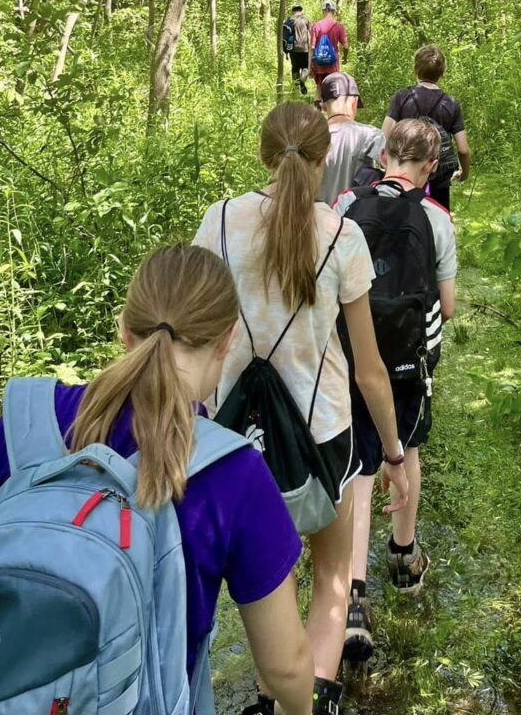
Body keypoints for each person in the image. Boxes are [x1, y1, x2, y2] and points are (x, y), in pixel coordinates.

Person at [0, 246, 315, 715]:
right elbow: (285, 665)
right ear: (227, 341)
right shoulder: (233, 471)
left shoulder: (26, 421)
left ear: (124, 328)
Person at [194, 102, 409, 715]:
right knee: (333, 576)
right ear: (323, 163)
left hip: (235, 438)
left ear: (264, 155)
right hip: (325, 436)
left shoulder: (221, 219)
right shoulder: (342, 237)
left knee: (271, 577)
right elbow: (367, 367)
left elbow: (193, 326)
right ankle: (316, 699)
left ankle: (272, 696)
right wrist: (392, 452)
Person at [334, 120, 457, 664]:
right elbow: (446, 307)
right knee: (406, 450)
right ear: (431, 167)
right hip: (409, 365)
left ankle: (353, 598)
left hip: (351, 358)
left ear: (383, 155)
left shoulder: (343, 206)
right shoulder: (436, 219)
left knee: (359, 466)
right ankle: (404, 558)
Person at [383, 44, 471, 208]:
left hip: (406, 174)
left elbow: (384, 136)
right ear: (442, 73)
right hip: (439, 176)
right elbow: (463, 150)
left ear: (415, 69)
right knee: (438, 222)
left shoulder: (402, 97)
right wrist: (464, 174)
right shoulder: (451, 104)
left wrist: (387, 166)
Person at [317, 72, 385, 204]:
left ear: (324, 107)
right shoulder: (370, 135)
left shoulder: (308, 137)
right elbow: (394, 169)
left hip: (314, 221)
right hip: (355, 220)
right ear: (354, 102)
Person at [309, 0, 349, 102]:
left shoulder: (316, 26)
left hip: (318, 63)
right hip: (333, 63)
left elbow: (312, 48)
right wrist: (345, 58)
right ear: (334, 11)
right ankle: (332, 114)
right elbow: (346, 46)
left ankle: (317, 114)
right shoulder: (339, 26)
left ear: (323, 11)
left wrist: (309, 65)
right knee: (333, 88)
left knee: (319, 87)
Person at [283, 3, 312, 95]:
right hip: (304, 48)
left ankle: (295, 89)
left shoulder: (289, 20)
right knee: (305, 67)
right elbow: (311, 34)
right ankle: (302, 81)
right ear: (301, 10)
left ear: (293, 11)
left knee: (295, 68)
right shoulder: (306, 20)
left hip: (292, 49)